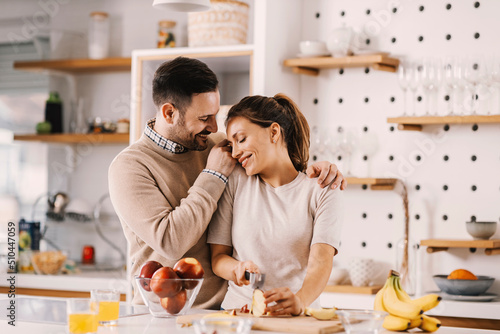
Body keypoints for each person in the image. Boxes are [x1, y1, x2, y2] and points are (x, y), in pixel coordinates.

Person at [108, 57, 346, 309]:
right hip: (162, 314)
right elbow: (171, 242)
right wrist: (213, 175)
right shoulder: (129, 167)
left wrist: (317, 169)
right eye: (204, 117)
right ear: (169, 112)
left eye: (216, 115)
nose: (213, 127)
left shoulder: (217, 144)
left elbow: (273, 161)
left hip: (224, 311)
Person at [208, 93, 342, 316]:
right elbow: (218, 258)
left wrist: (299, 301)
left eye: (241, 140)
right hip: (238, 316)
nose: (235, 152)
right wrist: (236, 269)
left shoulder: (322, 188)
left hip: (297, 317)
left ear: (274, 132)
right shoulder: (235, 180)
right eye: (231, 144)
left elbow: (321, 260)